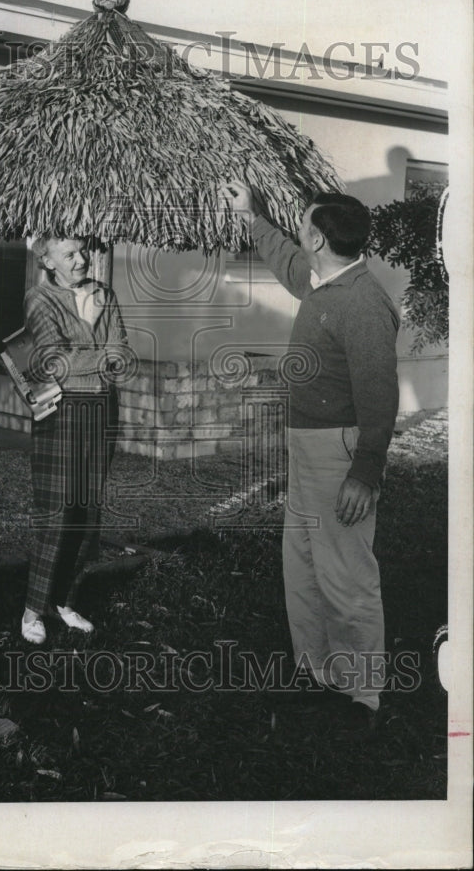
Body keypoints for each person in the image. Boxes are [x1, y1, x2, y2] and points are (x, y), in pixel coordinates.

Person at [222, 181, 400, 737]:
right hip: (307, 445)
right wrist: (252, 216)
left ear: (320, 239)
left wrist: (365, 471)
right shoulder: (326, 280)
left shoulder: (363, 303)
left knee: (345, 572)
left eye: (304, 228)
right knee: (302, 561)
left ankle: (363, 697)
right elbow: (288, 262)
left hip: (339, 450)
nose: (298, 236)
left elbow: (380, 394)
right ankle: (319, 673)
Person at [20, 235, 128, 646]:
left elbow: (124, 351)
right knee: (56, 511)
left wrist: (87, 356)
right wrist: (100, 353)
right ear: (47, 260)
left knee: (87, 510)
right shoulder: (39, 299)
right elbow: (53, 361)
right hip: (62, 413)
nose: (82, 259)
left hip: (102, 409)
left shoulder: (104, 293)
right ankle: (32, 608)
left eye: (83, 251)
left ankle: (64, 601)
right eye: (70, 254)